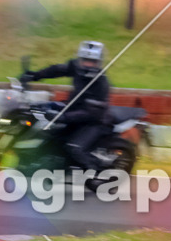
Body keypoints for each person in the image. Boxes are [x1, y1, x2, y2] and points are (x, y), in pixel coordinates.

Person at [21, 40, 110, 171]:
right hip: (73, 112)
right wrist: (35, 75)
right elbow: (57, 70)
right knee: (49, 133)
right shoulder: (76, 68)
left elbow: (91, 113)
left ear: (99, 62)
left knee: (74, 148)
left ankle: (95, 172)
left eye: (92, 61)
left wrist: (64, 117)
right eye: (84, 60)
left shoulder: (101, 83)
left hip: (93, 122)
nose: (87, 64)